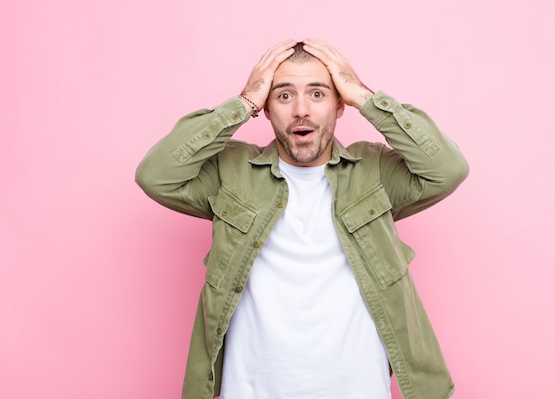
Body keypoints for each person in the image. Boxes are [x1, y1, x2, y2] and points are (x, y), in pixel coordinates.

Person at [136, 39, 469, 399]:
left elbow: (447, 169)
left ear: (339, 105)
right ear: (265, 108)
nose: (300, 111)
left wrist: (365, 98)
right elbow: (156, 175)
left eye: (317, 94)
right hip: (252, 389)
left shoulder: (374, 170)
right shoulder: (230, 171)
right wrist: (242, 103)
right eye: (283, 96)